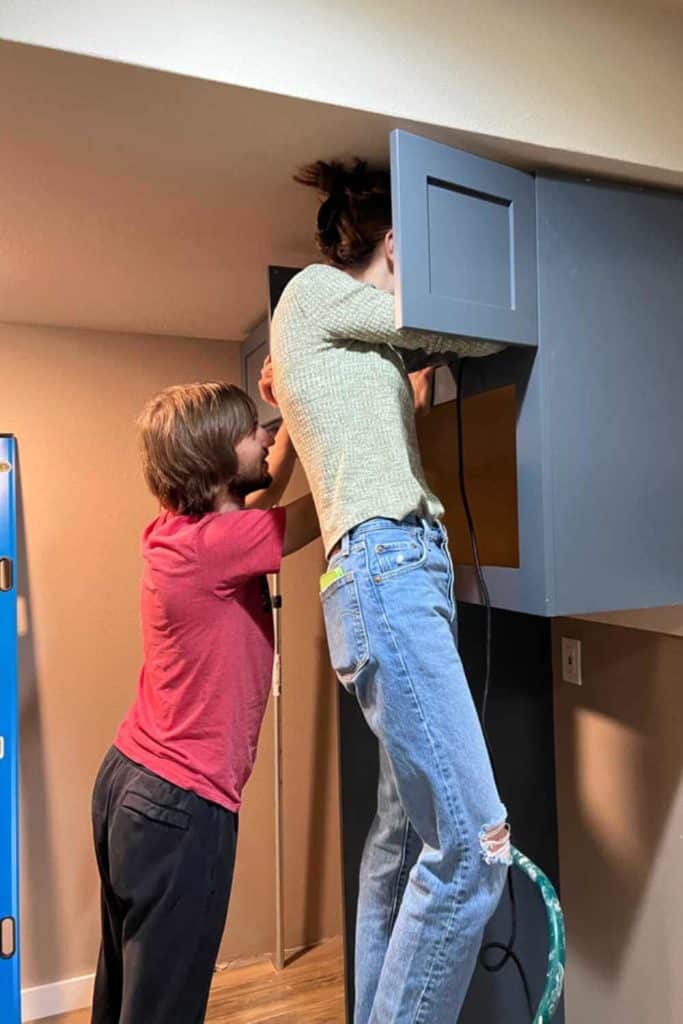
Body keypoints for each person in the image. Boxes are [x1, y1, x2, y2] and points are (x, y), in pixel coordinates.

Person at [268, 159, 511, 1023]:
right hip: (386, 570)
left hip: (398, 569)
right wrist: (486, 318)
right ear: (399, 243)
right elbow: (467, 330)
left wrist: (404, 392)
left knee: (400, 837)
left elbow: (364, 433)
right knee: (474, 853)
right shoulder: (310, 294)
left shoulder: (347, 339)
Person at [90, 380, 319, 1024]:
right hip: (179, 804)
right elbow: (314, 514)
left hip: (129, 782)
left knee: (130, 989)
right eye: (253, 430)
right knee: (164, 1006)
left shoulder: (180, 533)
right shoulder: (217, 547)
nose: (267, 433)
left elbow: (257, 498)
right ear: (217, 461)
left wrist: (291, 429)